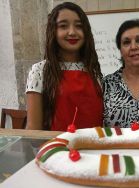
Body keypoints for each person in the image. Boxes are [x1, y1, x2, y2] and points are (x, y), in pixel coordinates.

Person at [26, 2, 103, 131]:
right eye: (63, 26)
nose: (72, 32)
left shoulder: (93, 71)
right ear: (53, 31)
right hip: (57, 148)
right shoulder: (39, 71)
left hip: (93, 149)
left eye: (79, 26)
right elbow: (33, 129)